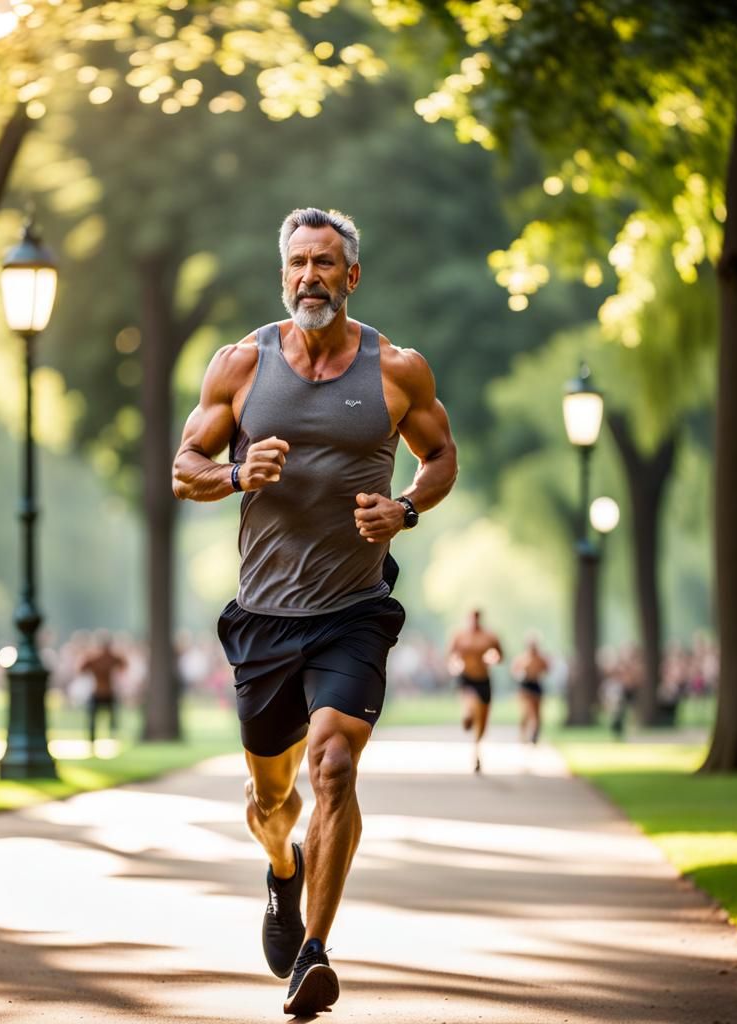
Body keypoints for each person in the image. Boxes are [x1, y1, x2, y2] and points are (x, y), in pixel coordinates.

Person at [172, 207, 457, 1016]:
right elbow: (182, 466)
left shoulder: (398, 370)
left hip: (353, 609)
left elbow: (442, 456)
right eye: (298, 262)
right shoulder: (240, 365)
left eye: (326, 263)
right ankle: (282, 869)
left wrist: (404, 510)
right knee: (272, 802)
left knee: (334, 765)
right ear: (283, 274)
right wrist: (234, 476)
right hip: (264, 616)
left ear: (351, 275)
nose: (310, 276)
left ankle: (315, 953)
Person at [447, 608, 503, 772]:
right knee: (469, 700)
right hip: (466, 677)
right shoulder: (459, 636)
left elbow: (500, 655)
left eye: (477, 619)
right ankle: (467, 715)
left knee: (483, 720)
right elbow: (451, 656)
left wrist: (492, 659)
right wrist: (455, 666)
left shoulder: (490, 637)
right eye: (471, 618)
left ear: (480, 619)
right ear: (468, 619)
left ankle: (477, 751)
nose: (474, 622)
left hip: (483, 679)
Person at [78, 630, 127, 747]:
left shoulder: (102, 657)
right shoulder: (99, 658)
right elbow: (82, 669)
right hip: (101, 691)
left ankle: (109, 738)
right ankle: (94, 740)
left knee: (110, 718)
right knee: (96, 718)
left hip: (105, 692)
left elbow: (123, 666)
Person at [511, 634, 550, 744]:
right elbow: (514, 671)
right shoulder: (522, 658)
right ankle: (523, 734)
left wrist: (538, 671)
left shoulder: (541, 658)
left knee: (537, 712)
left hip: (536, 684)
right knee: (525, 712)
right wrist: (521, 674)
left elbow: (547, 669)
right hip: (525, 686)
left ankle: (535, 735)